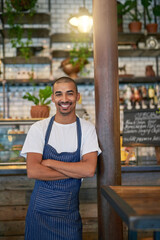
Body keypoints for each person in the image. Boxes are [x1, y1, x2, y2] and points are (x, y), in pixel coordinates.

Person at [21, 76, 101, 240]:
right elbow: (33, 171)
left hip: (69, 216)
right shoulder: (39, 128)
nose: (64, 99)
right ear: (53, 98)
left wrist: (50, 163)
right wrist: (75, 171)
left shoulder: (87, 129)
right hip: (39, 215)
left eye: (69, 94)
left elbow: (89, 170)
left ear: (77, 96)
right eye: (59, 94)